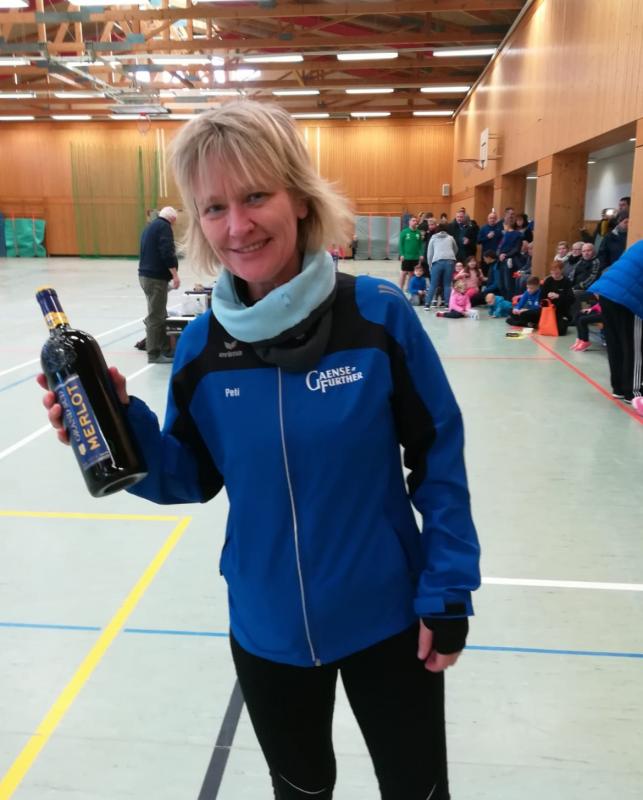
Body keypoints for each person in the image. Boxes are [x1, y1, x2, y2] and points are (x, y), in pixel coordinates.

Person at [38, 100, 481, 800]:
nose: (237, 226)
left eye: (254, 197)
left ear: (299, 198)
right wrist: (120, 426)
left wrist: (448, 585)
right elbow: (189, 476)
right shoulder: (201, 346)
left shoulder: (376, 316)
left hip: (389, 618)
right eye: (214, 208)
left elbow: (439, 456)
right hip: (266, 626)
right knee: (299, 790)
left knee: (417, 790)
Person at [590, 239, 643, 409]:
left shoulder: (639, 244)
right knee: (634, 347)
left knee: (616, 343)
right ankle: (634, 392)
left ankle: (619, 387)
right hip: (627, 297)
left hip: (607, 292)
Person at [138, 205, 180, 364]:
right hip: (155, 279)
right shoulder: (164, 227)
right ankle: (154, 354)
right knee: (156, 317)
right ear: (173, 219)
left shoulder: (150, 227)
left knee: (159, 313)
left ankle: (165, 349)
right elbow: (167, 252)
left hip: (146, 277)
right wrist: (175, 275)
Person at [424, 223, 458, 309]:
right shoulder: (451, 238)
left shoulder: (433, 238)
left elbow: (429, 254)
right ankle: (447, 304)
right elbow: (456, 249)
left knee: (433, 284)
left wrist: (430, 265)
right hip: (449, 261)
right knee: (447, 284)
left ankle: (427, 304)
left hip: (437, 261)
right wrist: (450, 256)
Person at [540, 261, 574, 334]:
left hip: (560, 311)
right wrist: (547, 297)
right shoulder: (548, 280)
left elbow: (571, 299)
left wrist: (558, 296)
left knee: (561, 331)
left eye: (557, 273)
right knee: (524, 315)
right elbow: (541, 298)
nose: (554, 275)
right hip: (548, 310)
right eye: (552, 273)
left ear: (561, 271)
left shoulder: (566, 281)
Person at [398, 214, 423, 290]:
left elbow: (420, 245)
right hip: (406, 257)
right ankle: (400, 288)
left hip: (415, 257)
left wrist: (421, 254)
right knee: (403, 273)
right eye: (413, 220)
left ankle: (409, 288)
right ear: (409, 222)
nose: (415, 222)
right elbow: (400, 244)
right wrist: (401, 254)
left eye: (416, 221)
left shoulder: (418, 233)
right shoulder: (404, 232)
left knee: (412, 274)